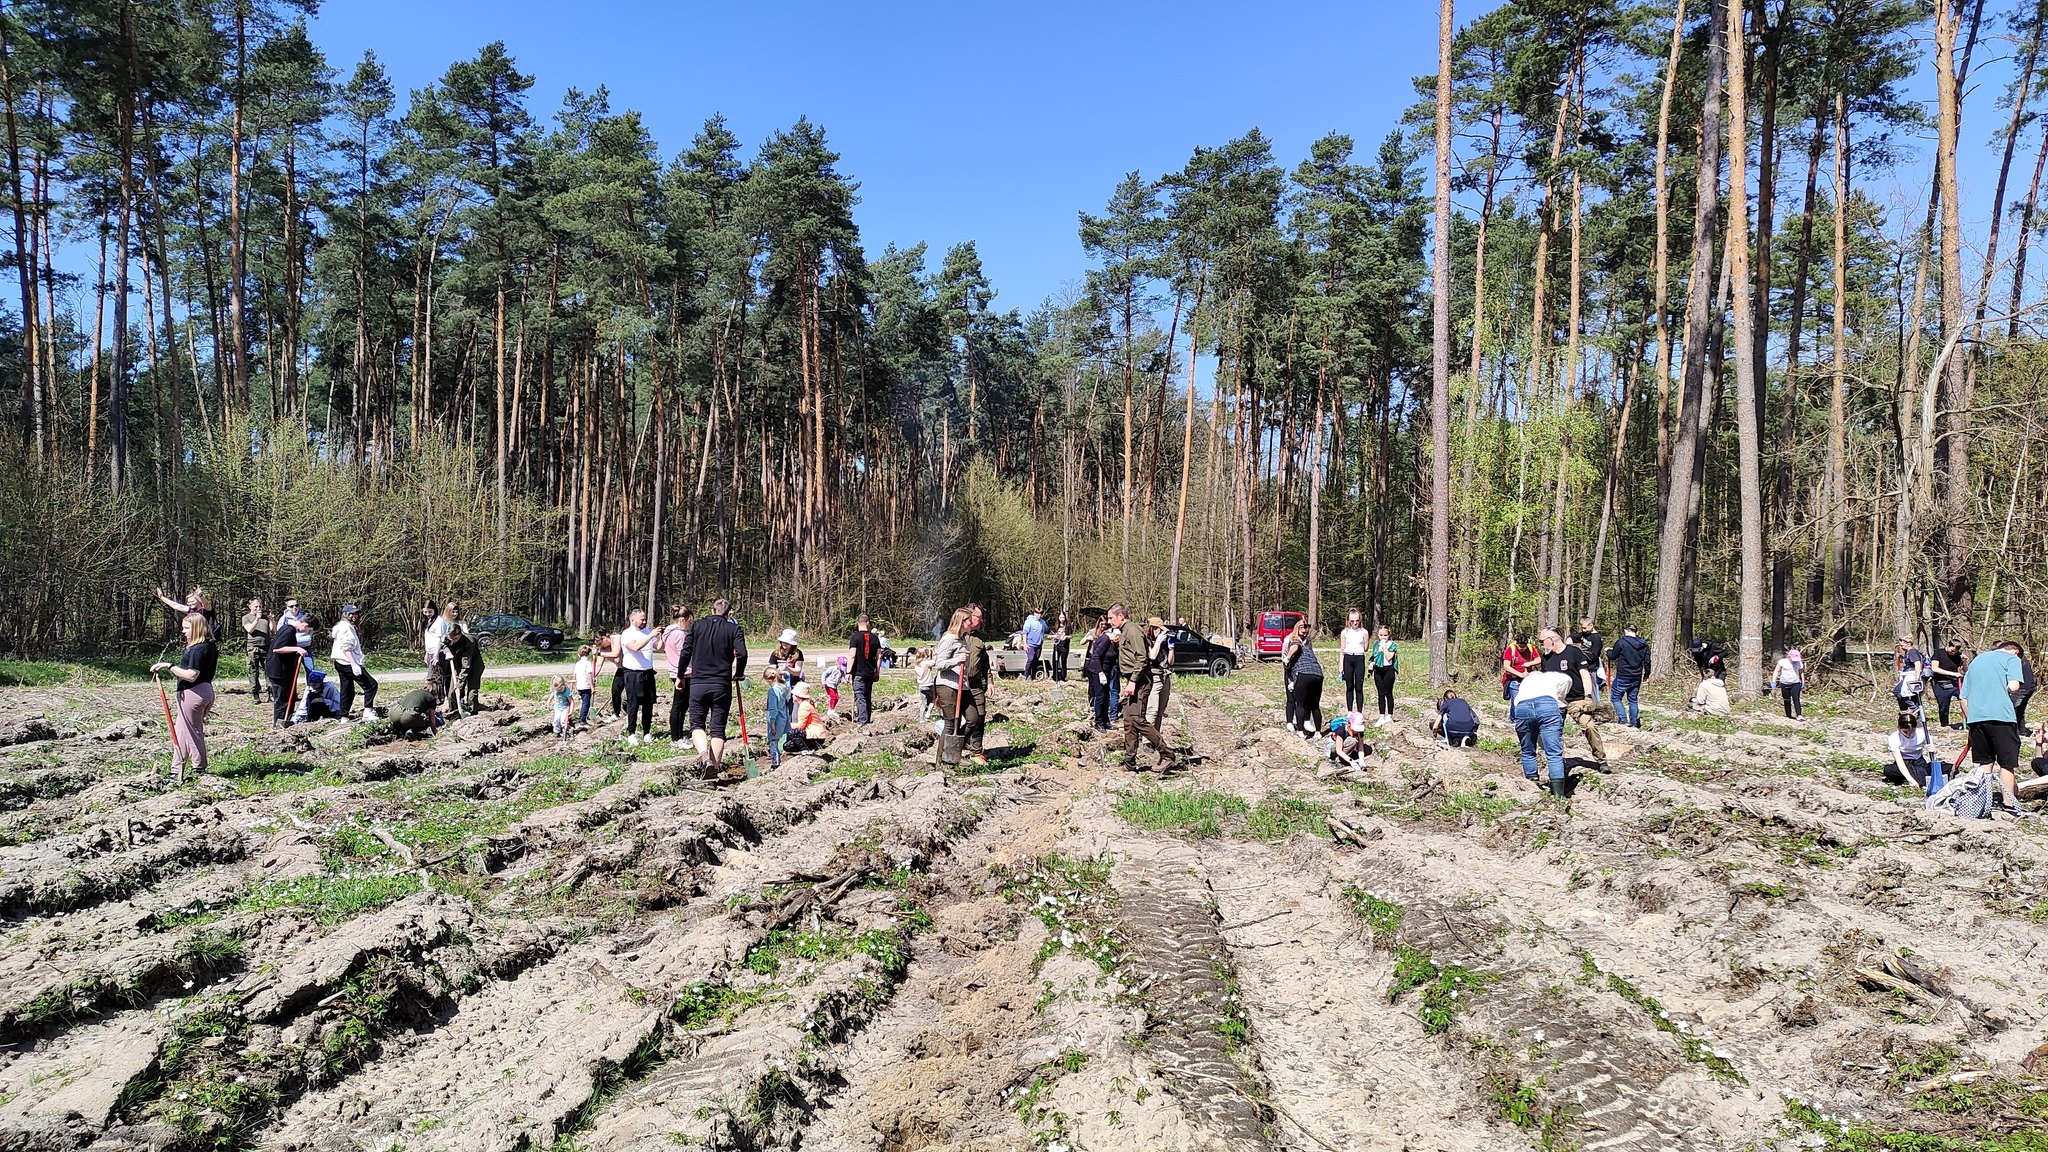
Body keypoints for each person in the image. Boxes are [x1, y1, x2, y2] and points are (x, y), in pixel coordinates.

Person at [678, 597, 749, 776]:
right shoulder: (734, 629)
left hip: (698, 683)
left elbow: (686, 651)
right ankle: (715, 769)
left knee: (697, 725)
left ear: (712, 610)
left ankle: (705, 757)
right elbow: (742, 653)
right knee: (718, 729)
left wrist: (680, 676)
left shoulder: (697, 626)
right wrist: (739, 673)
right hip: (721, 684)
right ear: (729, 613)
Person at [1960, 640, 2028, 816]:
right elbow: (2014, 686)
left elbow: (1963, 697)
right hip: (2002, 718)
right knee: (2007, 762)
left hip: (1976, 719)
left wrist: (1971, 720)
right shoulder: (2011, 659)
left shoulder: (1976, 662)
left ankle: (1981, 802)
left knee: (1985, 762)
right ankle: (2009, 804)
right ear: (2014, 651)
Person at [152, 612, 217, 779]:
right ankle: (176, 769)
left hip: (193, 693)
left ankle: (199, 768)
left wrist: (169, 666)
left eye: (187, 628)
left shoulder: (198, 649)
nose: (183, 631)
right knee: (181, 732)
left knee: (192, 732)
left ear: (196, 628)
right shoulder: (209, 645)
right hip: (203, 690)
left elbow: (191, 675)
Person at [1114, 606, 1175, 772]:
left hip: (1141, 681)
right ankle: (1129, 762)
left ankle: (1167, 753)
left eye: (1112, 618)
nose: (1110, 622)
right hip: (1133, 680)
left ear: (1121, 616)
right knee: (1129, 721)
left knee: (1137, 719)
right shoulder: (1125, 631)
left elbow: (1142, 658)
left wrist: (1133, 681)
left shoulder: (1133, 630)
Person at [1538, 627, 1607, 768]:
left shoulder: (1573, 652)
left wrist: (1587, 697)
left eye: (1542, 641)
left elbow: (1585, 675)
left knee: (1589, 726)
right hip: (1556, 701)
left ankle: (1601, 760)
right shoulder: (1546, 658)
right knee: (1552, 732)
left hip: (1576, 699)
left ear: (1551, 639)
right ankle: (1558, 762)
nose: (1541, 645)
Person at [1513, 666, 1573, 797]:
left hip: (1523, 707)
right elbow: (1567, 679)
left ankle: (1531, 785)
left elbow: (1515, 703)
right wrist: (1560, 696)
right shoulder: (1550, 675)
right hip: (1547, 705)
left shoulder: (1524, 683)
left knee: (1528, 750)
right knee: (1553, 752)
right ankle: (1558, 793)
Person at [932, 608, 978, 755]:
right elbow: (939, 664)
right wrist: (957, 660)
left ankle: (955, 749)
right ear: (961, 622)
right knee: (950, 723)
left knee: (973, 718)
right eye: (969, 620)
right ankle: (943, 760)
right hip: (947, 685)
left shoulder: (962, 638)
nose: (972, 622)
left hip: (962, 685)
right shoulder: (949, 639)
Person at [330, 604, 378, 721]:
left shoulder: (342, 626)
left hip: (339, 662)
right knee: (371, 685)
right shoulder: (346, 628)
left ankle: (344, 716)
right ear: (344, 614)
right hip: (347, 663)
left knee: (347, 690)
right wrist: (354, 664)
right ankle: (368, 712)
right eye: (351, 614)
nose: (354, 616)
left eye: (355, 613)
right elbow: (346, 648)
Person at [616, 608, 657, 744]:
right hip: (632, 673)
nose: (644, 621)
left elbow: (659, 647)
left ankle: (647, 732)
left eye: (645, 619)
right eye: (642, 619)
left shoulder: (647, 632)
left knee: (648, 704)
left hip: (648, 672)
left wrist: (661, 635)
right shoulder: (627, 633)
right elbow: (635, 647)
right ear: (632, 620)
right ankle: (632, 732)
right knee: (633, 703)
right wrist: (651, 635)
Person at [1282, 617, 1325, 739]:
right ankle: (1318, 732)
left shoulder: (1295, 641)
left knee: (1300, 703)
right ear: (1297, 629)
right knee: (1315, 705)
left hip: (1303, 673)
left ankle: (1300, 731)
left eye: (1307, 628)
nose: (1305, 631)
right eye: (1303, 628)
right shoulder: (1292, 639)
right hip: (1318, 674)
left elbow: (1294, 647)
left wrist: (1288, 658)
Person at [265, 612, 308, 726]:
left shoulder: (289, 629)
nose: (306, 632)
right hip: (278, 670)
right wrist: (297, 649)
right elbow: (277, 648)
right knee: (282, 698)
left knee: (291, 696)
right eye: (307, 629)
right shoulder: (288, 630)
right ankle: (279, 722)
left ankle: (286, 720)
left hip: (284, 670)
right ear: (305, 624)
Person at [962, 604, 992, 766]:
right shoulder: (955, 634)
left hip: (975, 684)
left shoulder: (980, 638)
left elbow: (985, 663)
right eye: (979, 617)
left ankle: (976, 751)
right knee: (956, 719)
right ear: (970, 617)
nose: (981, 621)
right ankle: (954, 748)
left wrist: (990, 682)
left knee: (979, 716)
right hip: (957, 685)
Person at [1606, 625, 1651, 728]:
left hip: (1623, 675)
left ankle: (1623, 719)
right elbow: (1647, 661)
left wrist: (1608, 651)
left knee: (1615, 697)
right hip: (1636, 676)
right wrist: (1647, 674)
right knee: (1633, 700)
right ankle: (1634, 722)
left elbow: (1612, 656)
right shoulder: (1643, 644)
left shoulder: (1621, 642)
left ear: (1625, 631)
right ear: (1636, 631)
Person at [662, 605, 694, 742]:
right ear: (682, 619)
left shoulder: (668, 632)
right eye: (689, 619)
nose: (690, 622)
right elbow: (684, 655)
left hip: (676, 671)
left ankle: (679, 734)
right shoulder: (680, 634)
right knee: (679, 706)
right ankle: (676, 738)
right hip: (682, 673)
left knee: (681, 705)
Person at [847, 614, 884, 724]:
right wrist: (877, 671)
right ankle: (867, 720)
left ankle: (862, 722)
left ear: (858, 623)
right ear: (868, 623)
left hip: (858, 672)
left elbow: (852, 655)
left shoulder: (855, 637)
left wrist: (848, 671)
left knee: (860, 696)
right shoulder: (875, 638)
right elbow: (879, 656)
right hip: (870, 671)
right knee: (867, 696)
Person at [1885, 712, 1934, 790]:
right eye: (1905, 732)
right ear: (1899, 728)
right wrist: (1911, 780)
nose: (1909, 735)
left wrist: (1932, 749)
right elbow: (1899, 762)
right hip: (1904, 761)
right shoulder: (1894, 738)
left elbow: (1932, 750)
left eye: (1912, 731)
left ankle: (1914, 776)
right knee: (1890, 770)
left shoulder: (1922, 734)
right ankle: (1910, 777)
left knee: (1923, 773)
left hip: (1918, 761)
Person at [1084, 620, 1116, 731]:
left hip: (1107, 671)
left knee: (1106, 696)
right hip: (1096, 670)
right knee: (1100, 696)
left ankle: (1106, 721)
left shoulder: (1113, 643)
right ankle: (1098, 722)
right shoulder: (1105, 640)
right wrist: (1100, 672)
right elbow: (1096, 655)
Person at [1930, 639, 1968, 729]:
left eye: (1955, 651)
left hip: (1956, 684)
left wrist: (1965, 662)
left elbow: (1965, 670)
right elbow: (1934, 668)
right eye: (1952, 650)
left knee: (1965, 701)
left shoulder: (1958, 655)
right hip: (1941, 684)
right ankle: (1945, 725)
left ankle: (1969, 721)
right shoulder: (1938, 653)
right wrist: (1953, 674)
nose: (1953, 653)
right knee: (1943, 706)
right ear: (1949, 645)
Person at [240, 599, 271, 704]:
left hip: (266, 646)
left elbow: (273, 630)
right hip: (253, 647)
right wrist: (257, 619)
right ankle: (255, 694)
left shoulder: (265, 618)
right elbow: (249, 629)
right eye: (256, 606)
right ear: (250, 606)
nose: (258, 609)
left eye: (260, 606)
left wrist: (272, 620)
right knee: (253, 670)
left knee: (269, 670)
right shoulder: (246, 618)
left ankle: (270, 693)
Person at [1339, 610, 1370, 715]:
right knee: (1349, 686)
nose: (1355, 623)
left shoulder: (1364, 632)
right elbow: (1342, 649)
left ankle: (1360, 711)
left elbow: (1366, 648)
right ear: (1348, 621)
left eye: (1357, 620)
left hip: (1359, 658)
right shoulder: (1344, 632)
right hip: (1348, 658)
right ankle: (1349, 711)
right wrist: (1341, 665)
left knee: (1359, 686)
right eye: (1352, 621)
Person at [785, 682, 828, 754]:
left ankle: (806, 750)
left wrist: (787, 725)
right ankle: (808, 748)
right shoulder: (805, 704)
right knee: (787, 746)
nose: (792, 696)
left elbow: (801, 726)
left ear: (797, 695)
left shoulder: (804, 706)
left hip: (815, 736)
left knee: (792, 733)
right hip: (814, 736)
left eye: (793, 694)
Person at [2003, 640, 2037, 730]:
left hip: (2022, 688)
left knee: (2011, 709)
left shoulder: (2015, 660)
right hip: (2029, 686)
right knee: (2020, 710)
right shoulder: (2021, 659)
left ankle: (2011, 729)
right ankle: (2021, 730)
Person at [1894, 638, 1928, 716]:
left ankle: (1914, 708)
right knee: (1914, 697)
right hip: (1908, 675)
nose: (1901, 644)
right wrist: (1901, 657)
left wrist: (1917, 678)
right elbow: (1909, 663)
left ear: (1908, 644)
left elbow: (1917, 664)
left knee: (1898, 691)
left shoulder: (1912, 652)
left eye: (1903, 643)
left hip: (1912, 676)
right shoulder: (1909, 652)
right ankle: (1920, 717)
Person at [1500, 635, 1539, 704]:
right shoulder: (1511, 649)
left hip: (1528, 680)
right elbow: (1506, 666)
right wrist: (1520, 674)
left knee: (1528, 702)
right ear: (1516, 643)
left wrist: (1530, 663)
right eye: (1520, 646)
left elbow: (1538, 659)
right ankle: (1514, 715)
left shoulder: (1530, 648)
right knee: (1516, 702)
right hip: (1514, 679)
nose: (1522, 648)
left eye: (1524, 646)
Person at [1574, 618, 1607, 692]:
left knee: (1592, 690)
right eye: (1582, 628)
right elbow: (1575, 637)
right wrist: (1570, 639)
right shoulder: (1585, 634)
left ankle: (1594, 702)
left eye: (1585, 628)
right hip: (1583, 666)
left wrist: (1580, 656)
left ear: (1591, 625)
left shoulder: (1596, 638)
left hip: (1592, 668)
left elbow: (1594, 656)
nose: (1583, 630)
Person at [1772, 648, 1804, 721]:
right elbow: (1777, 671)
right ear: (1789, 657)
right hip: (1784, 683)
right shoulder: (1782, 662)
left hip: (1795, 683)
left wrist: (1803, 681)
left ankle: (1799, 715)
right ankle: (1788, 715)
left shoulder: (1799, 663)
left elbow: (1801, 672)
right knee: (1786, 700)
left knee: (1796, 699)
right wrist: (1774, 680)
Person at [573, 645, 596, 727]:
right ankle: (583, 719)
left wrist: (573, 685)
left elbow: (574, 675)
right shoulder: (588, 663)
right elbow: (589, 675)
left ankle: (583, 717)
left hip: (579, 685)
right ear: (588, 654)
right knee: (586, 703)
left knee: (584, 702)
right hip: (586, 686)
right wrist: (592, 686)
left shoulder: (578, 663)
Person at [1021, 610, 1047, 681]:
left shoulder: (1042, 622)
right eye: (1038, 613)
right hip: (1030, 644)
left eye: (1041, 613)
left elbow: (1047, 630)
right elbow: (1024, 633)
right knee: (1030, 659)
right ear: (1034, 613)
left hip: (1039, 645)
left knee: (1036, 660)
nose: (1039, 615)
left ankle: (1032, 677)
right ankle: (1025, 675)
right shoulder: (1029, 621)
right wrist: (1025, 644)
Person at [1049, 613, 1071, 682]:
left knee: (1063, 662)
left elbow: (1070, 636)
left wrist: (1066, 637)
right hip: (1057, 646)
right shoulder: (1055, 626)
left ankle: (1063, 677)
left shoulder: (1068, 626)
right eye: (1061, 617)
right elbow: (1049, 636)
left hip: (1065, 646)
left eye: (1063, 617)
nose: (1062, 619)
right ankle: (1055, 676)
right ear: (1058, 618)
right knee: (1055, 661)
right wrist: (1054, 636)